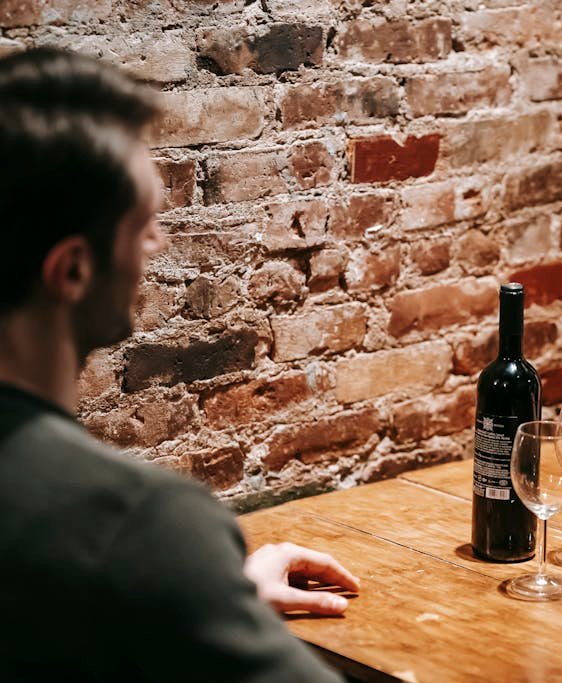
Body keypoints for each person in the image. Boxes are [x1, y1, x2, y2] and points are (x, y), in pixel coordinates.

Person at [0, 48, 359, 679]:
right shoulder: (138, 525)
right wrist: (179, 570)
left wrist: (207, 602)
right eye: (142, 225)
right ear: (74, 269)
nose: (157, 243)